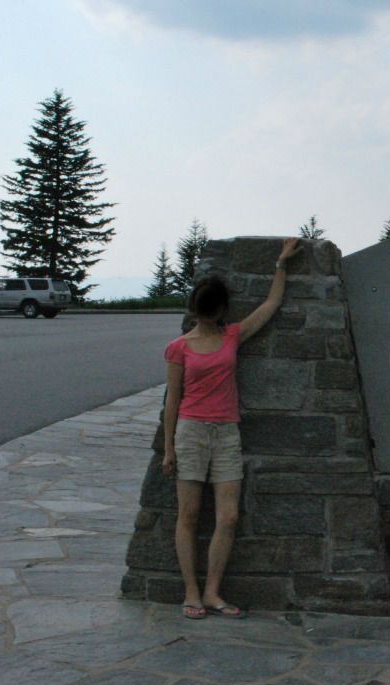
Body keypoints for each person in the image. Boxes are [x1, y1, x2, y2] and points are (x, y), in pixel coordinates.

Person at [162, 238, 303, 619]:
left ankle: (212, 592)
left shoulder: (231, 336)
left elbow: (270, 306)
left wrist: (281, 264)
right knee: (188, 516)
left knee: (228, 517)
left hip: (225, 433)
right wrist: (170, 450)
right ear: (204, 308)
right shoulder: (179, 347)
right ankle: (191, 592)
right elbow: (172, 400)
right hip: (190, 433)